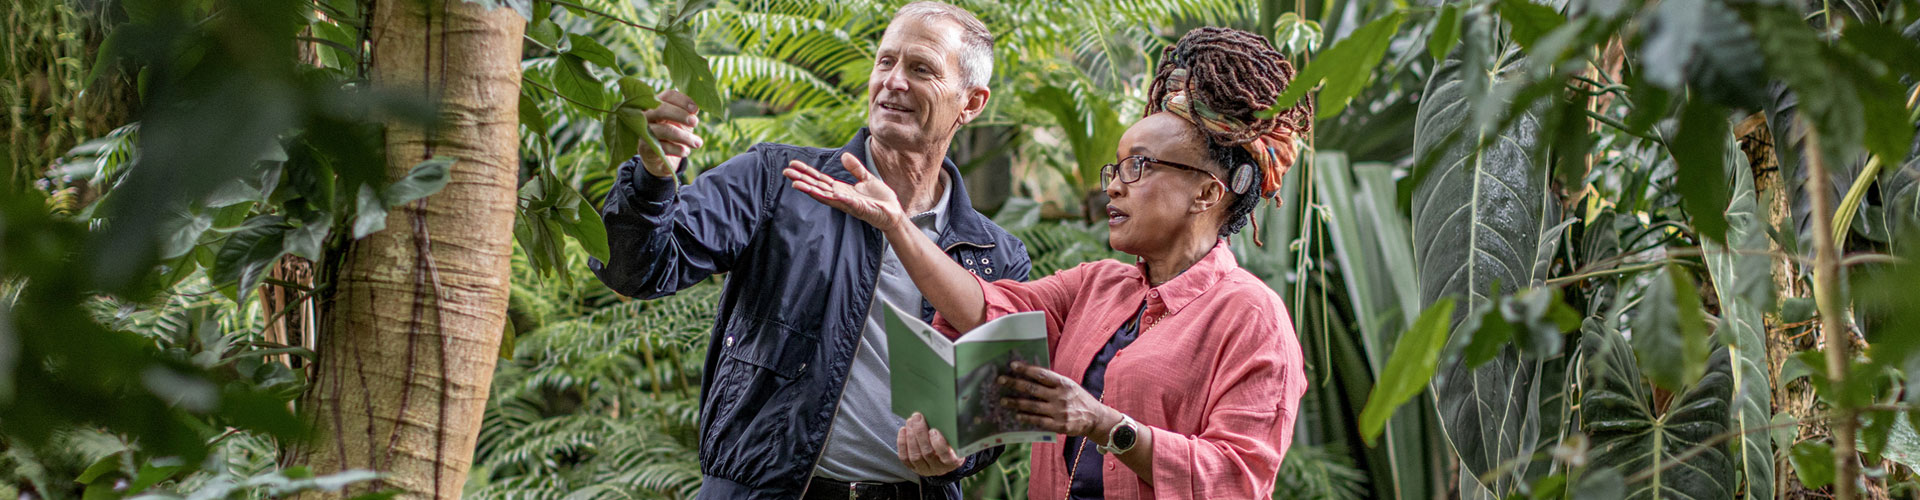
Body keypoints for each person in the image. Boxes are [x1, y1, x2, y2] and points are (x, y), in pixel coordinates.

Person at [782, 27, 1309, 499]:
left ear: (1207, 194)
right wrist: (896, 223)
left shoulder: (1252, 317)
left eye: (1140, 166)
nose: (1115, 184)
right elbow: (984, 307)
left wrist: (1107, 425)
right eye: (1117, 166)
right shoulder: (1097, 286)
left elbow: (1237, 479)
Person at [589, 3, 1030, 498]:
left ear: (971, 103)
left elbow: (995, 413)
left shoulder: (995, 255)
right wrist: (652, 177)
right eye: (886, 62)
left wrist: (959, 450)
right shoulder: (777, 180)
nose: (894, 82)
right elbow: (637, 270)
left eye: (921, 68)